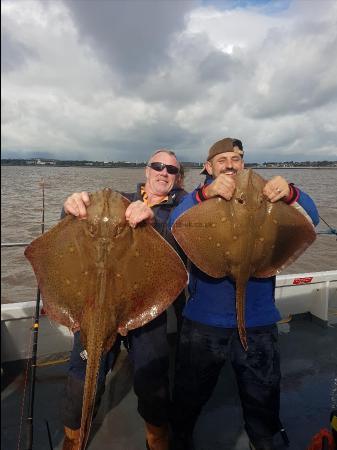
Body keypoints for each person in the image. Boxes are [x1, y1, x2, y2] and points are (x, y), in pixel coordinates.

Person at [168, 137, 319, 450]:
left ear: (244, 164)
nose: (230, 164)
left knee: (262, 401)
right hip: (204, 321)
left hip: (258, 319)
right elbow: (175, 223)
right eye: (221, 159)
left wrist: (289, 192)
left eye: (236, 158)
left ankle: (264, 440)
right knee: (188, 396)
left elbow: (311, 218)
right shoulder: (200, 197)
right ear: (208, 167)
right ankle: (179, 438)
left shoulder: (265, 192)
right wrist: (204, 194)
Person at [61, 149, 187, 450]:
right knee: (84, 374)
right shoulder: (120, 201)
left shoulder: (184, 206)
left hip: (146, 306)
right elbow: (72, 236)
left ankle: (157, 438)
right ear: (146, 171)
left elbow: (186, 247)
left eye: (171, 169)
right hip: (95, 301)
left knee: (152, 377)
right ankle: (73, 437)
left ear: (178, 177)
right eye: (158, 166)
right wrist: (68, 208)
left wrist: (153, 221)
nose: (163, 172)